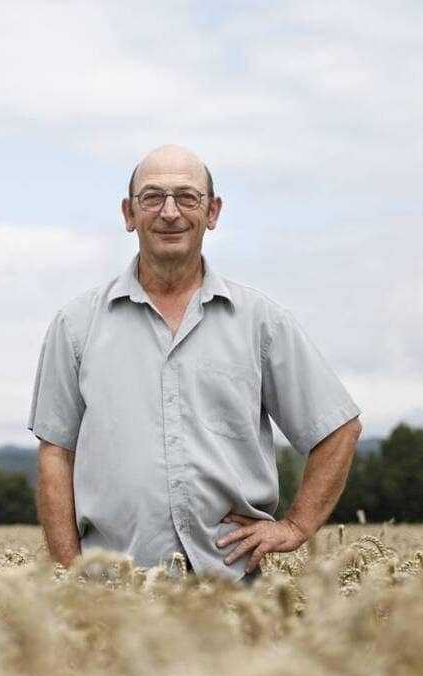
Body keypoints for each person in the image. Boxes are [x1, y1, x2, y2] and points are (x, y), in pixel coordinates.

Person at [28, 145, 362, 582]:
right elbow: (56, 454)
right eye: (152, 198)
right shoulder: (75, 326)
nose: (170, 212)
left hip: (230, 589)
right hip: (114, 593)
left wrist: (296, 526)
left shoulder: (262, 322)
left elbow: (338, 428)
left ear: (212, 212)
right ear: (129, 214)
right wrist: (72, 572)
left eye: (187, 197)